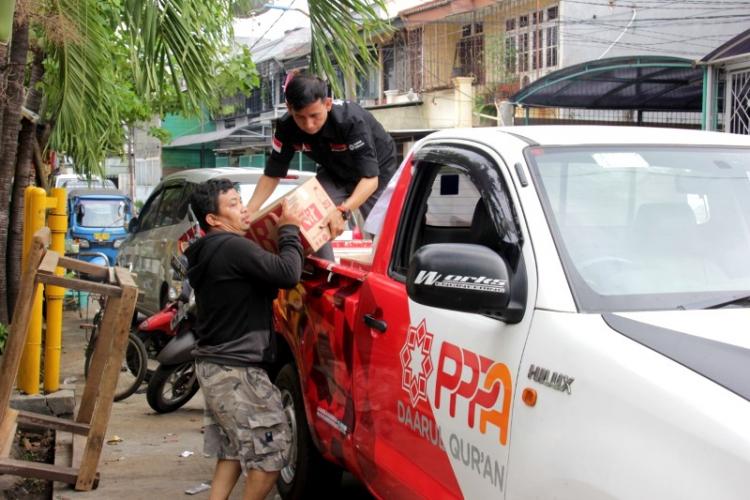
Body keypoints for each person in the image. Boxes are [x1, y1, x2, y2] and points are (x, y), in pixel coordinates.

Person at [184, 178, 304, 500]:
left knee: (233, 450)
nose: (243, 208)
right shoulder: (232, 246)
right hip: (237, 371)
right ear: (213, 219)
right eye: (233, 204)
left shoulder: (208, 250)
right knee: (272, 454)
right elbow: (288, 274)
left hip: (215, 367)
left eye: (241, 200)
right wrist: (290, 231)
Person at [246, 73, 398, 259]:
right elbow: (272, 174)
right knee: (307, 216)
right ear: (289, 108)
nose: (308, 125)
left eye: (314, 115)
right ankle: (325, 272)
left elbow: (370, 179)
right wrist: (250, 212)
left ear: (327, 103)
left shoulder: (350, 120)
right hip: (334, 172)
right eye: (300, 117)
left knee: (386, 234)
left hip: (376, 174)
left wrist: (342, 211)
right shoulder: (286, 127)